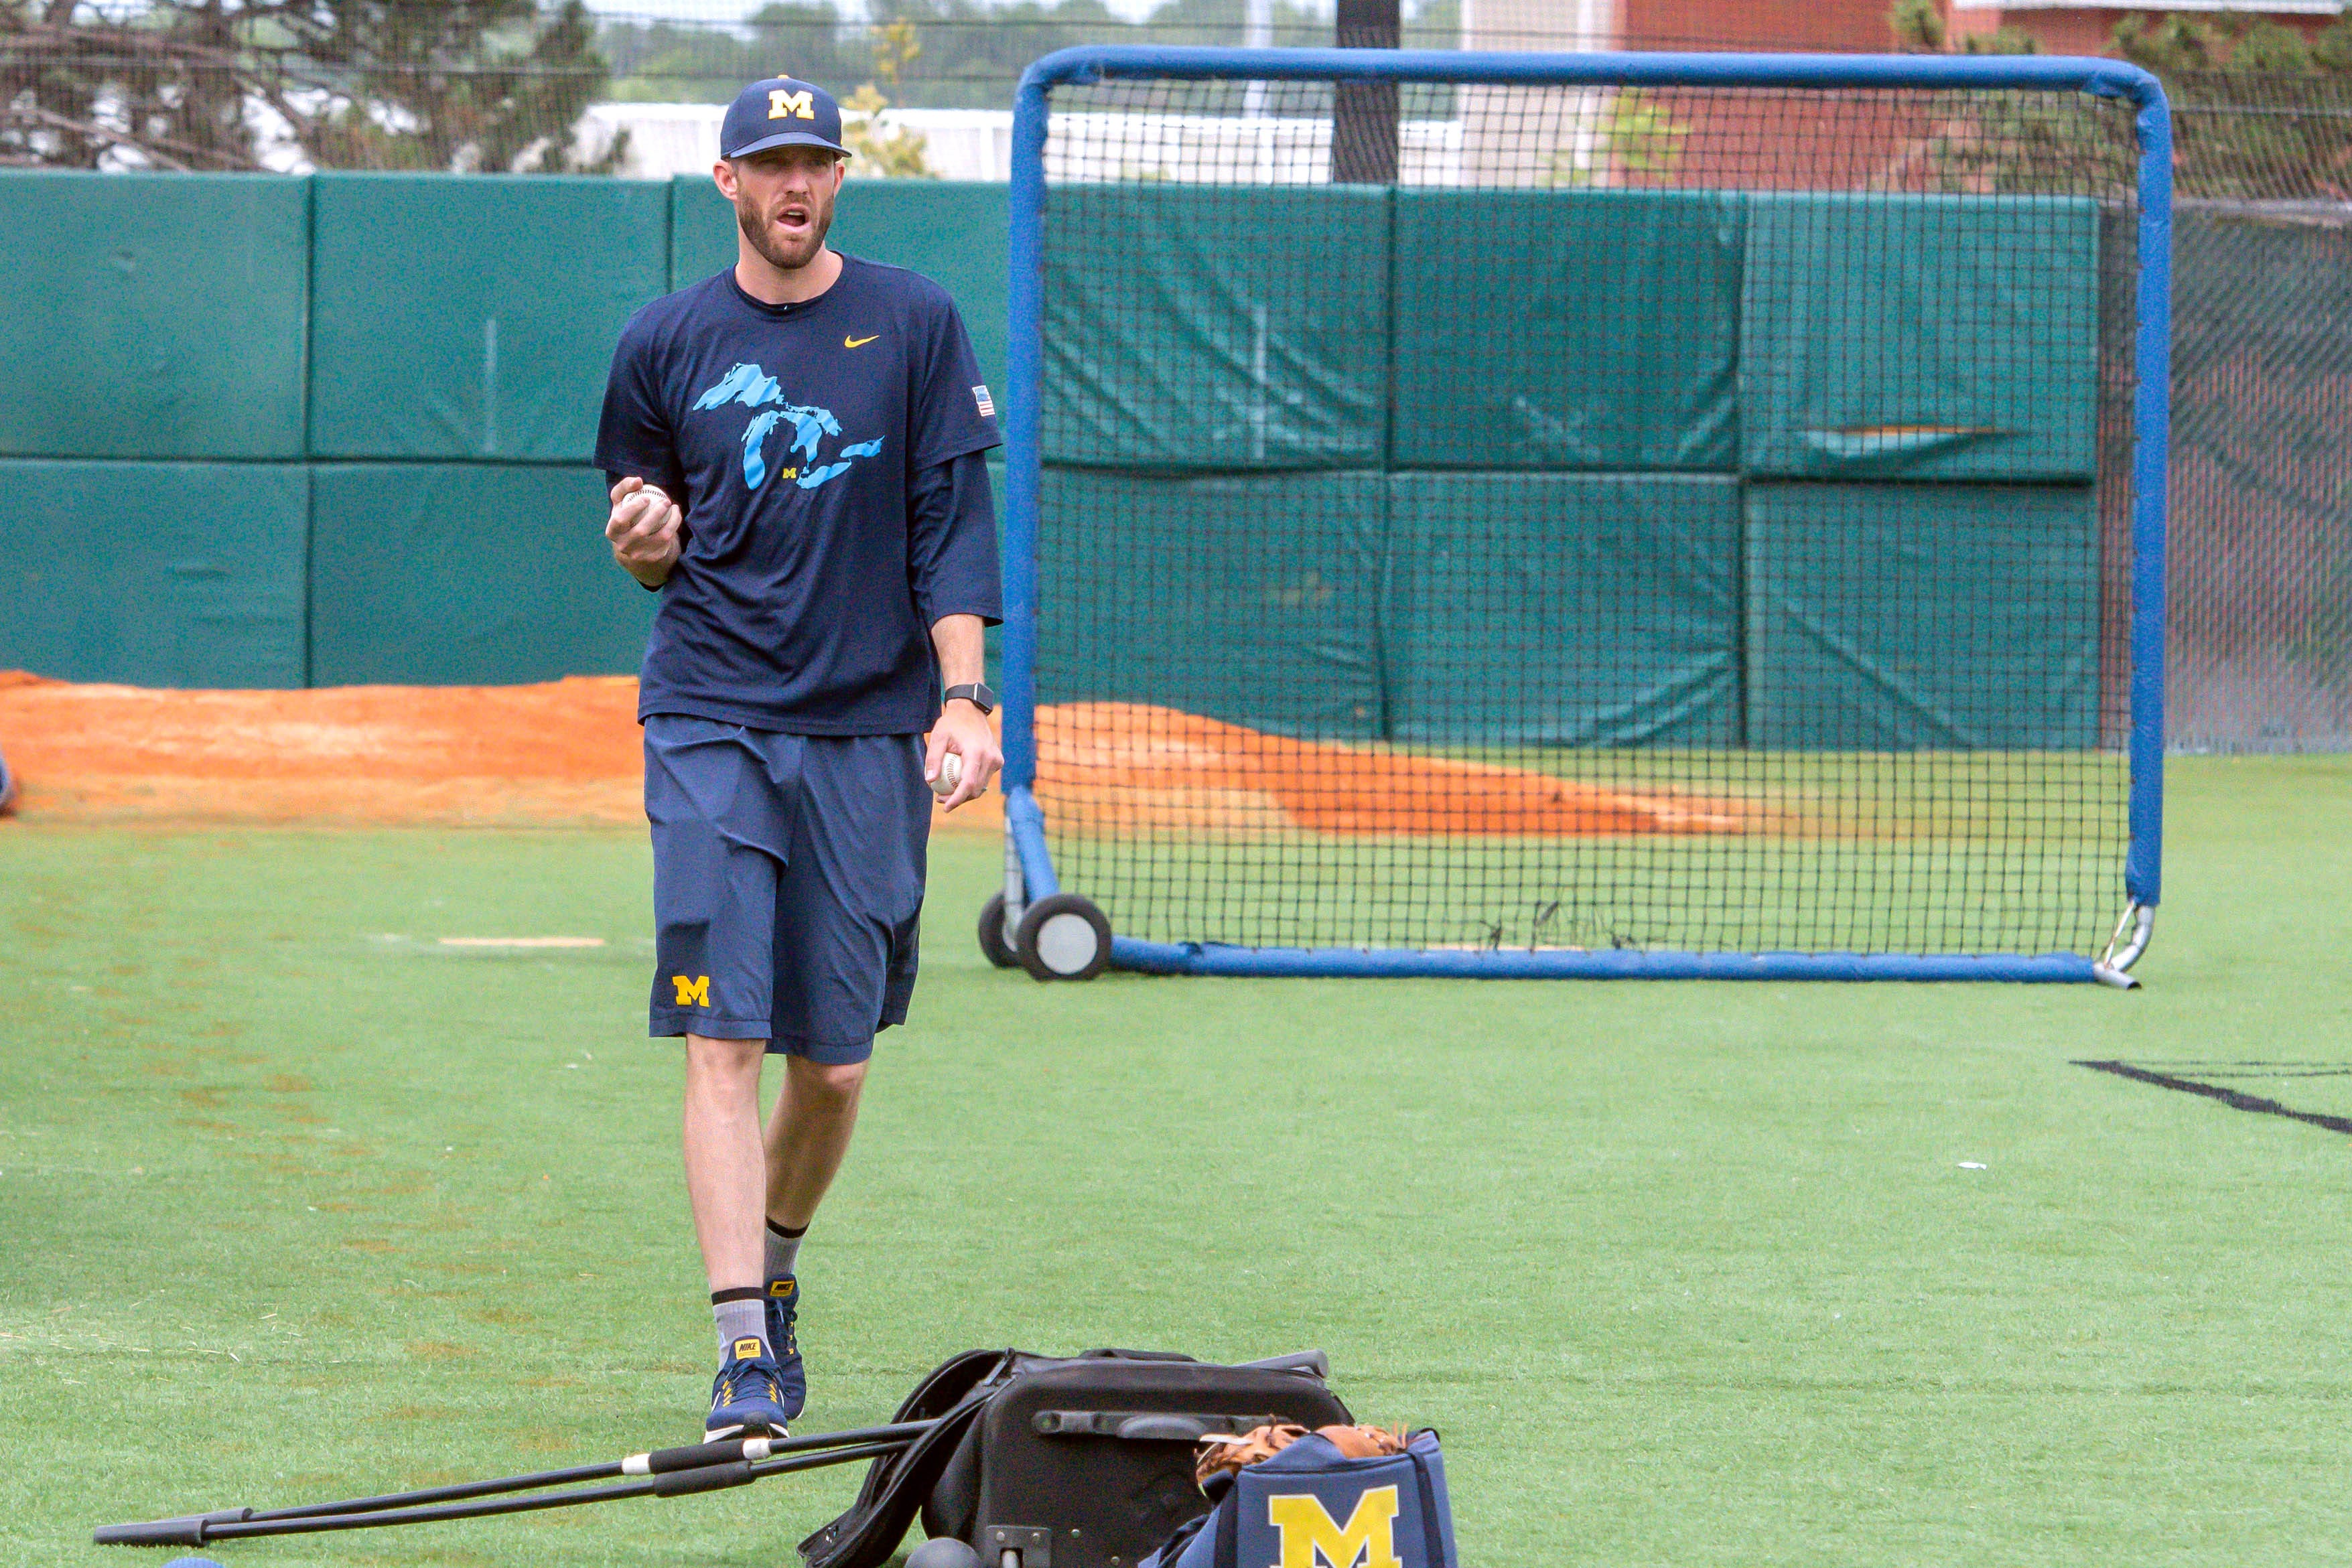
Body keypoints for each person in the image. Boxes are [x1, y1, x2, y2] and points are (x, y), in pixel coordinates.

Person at [594, 75, 1003, 1440]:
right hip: (709, 712)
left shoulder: (914, 321)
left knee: (832, 1064)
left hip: (868, 729)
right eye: (768, 163)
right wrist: (644, 543)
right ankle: (739, 1353)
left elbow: (950, 524)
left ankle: (774, 1273)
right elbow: (645, 533)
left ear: (837, 179)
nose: (793, 184)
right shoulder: (664, 341)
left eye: (813, 162)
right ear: (727, 181)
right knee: (723, 1032)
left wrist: (963, 697)